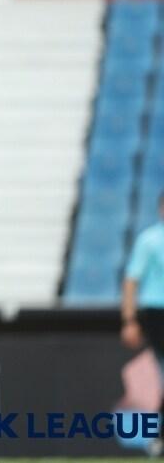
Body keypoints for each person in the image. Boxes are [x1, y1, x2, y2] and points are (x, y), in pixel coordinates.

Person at [121, 192, 164, 456]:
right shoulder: (149, 240)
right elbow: (131, 280)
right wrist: (130, 320)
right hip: (157, 312)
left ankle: (159, 436)